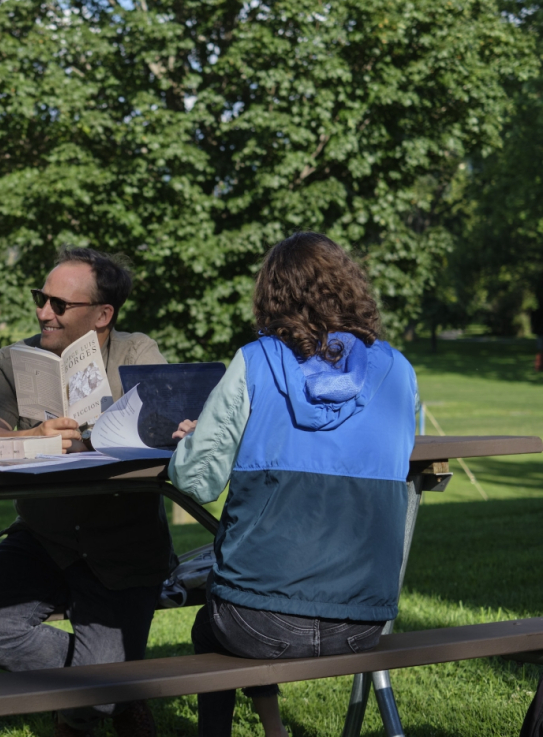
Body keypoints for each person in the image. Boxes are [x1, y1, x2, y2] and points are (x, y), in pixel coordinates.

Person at [169, 232, 419, 737]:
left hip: (257, 623)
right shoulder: (399, 371)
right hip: (364, 623)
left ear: (272, 295)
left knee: (211, 622)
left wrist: (200, 438)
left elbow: (196, 479)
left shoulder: (254, 362)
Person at [0, 247, 172, 737]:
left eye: (58, 304)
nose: (42, 312)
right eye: (41, 298)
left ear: (103, 315)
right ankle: (120, 693)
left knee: (87, 710)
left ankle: (102, 699)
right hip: (42, 533)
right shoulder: (14, 359)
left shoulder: (137, 352)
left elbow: (160, 426)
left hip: (123, 543)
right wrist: (31, 437)